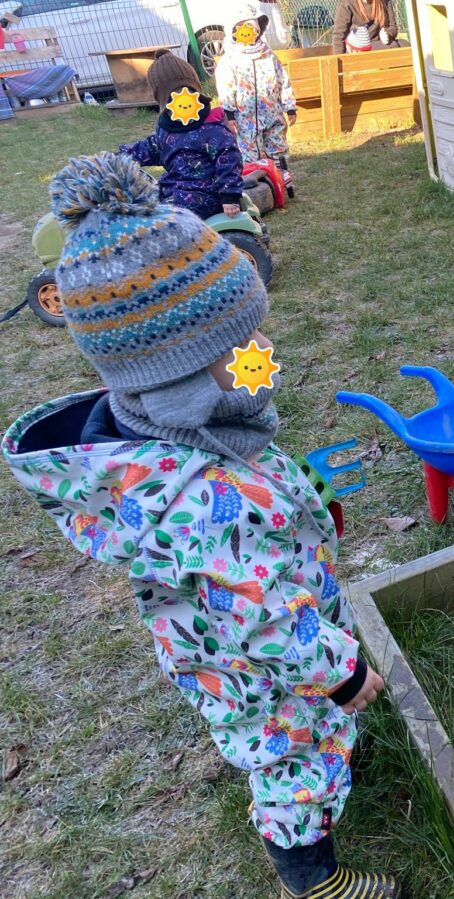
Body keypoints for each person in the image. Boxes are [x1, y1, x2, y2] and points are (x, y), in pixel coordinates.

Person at [3, 153, 404, 899]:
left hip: (243, 645)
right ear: (183, 381)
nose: (264, 360)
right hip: (269, 668)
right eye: (244, 351)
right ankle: (311, 877)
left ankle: (313, 741)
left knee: (292, 733)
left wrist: (293, 492)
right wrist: (342, 673)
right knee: (292, 763)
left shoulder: (190, 434)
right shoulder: (199, 500)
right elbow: (265, 617)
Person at [118, 50, 244, 221]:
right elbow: (153, 146)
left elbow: (228, 156)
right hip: (172, 190)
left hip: (205, 194)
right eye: (174, 96)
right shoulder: (167, 127)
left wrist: (229, 195)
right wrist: (121, 157)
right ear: (163, 99)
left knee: (165, 217)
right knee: (141, 205)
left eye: (187, 92)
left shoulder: (211, 127)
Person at [216, 2, 297, 169]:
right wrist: (229, 115)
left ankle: (281, 176)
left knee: (277, 148)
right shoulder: (230, 61)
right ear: (235, 32)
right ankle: (258, 183)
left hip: (272, 114)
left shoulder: (268, 56)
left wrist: (289, 106)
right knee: (250, 153)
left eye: (253, 28)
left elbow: (283, 81)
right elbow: (226, 88)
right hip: (245, 120)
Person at [331, 0, 406, 53]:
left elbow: (392, 27)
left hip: (378, 43)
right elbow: (339, 35)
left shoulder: (384, 1)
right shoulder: (346, 3)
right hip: (357, 48)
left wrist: (387, 34)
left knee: (405, 44)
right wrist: (339, 61)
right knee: (393, 46)